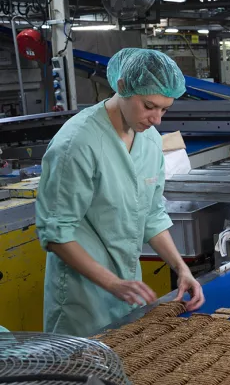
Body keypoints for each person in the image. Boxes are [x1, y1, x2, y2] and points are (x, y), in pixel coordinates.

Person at [36, 48, 205, 337]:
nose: (157, 119)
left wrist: (181, 268)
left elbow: (151, 214)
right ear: (123, 86)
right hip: (83, 298)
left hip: (128, 290)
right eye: (149, 106)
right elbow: (55, 234)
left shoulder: (149, 139)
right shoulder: (77, 144)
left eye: (164, 109)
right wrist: (111, 283)